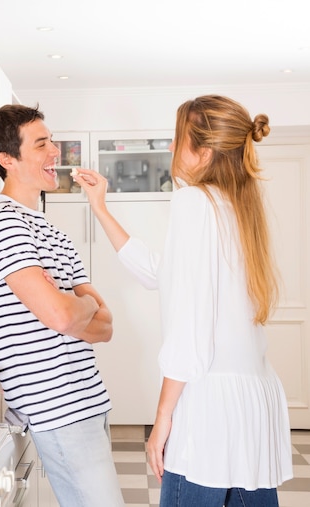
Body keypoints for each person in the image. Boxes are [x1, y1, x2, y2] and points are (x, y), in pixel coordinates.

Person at [74, 95, 293, 507]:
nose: (172, 149)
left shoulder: (194, 203)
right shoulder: (236, 207)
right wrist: (100, 208)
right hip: (251, 407)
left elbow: (188, 332)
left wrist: (161, 420)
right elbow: (162, 273)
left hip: (208, 411)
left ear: (204, 153)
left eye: (178, 140)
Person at [0, 104, 125, 507]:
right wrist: (73, 305)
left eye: (51, 140)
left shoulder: (51, 231)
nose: (56, 151)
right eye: (42, 143)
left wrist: (71, 306)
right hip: (55, 407)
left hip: (87, 398)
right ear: (8, 160)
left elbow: (104, 326)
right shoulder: (0, 223)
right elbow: (60, 315)